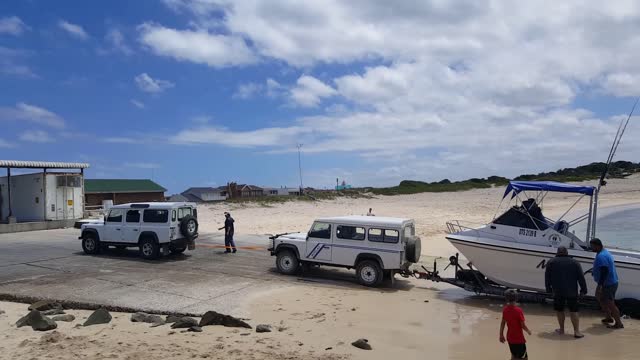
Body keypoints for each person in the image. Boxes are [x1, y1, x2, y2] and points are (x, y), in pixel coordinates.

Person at [544, 246, 587, 338]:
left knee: (560, 310)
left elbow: (547, 277)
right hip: (572, 291)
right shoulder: (575, 262)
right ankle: (576, 332)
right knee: (574, 311)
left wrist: (548, 289)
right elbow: (581, 278)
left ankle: (562, 329)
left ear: (557, 252)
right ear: (567, 252)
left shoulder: (551, 262)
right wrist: (583, 290)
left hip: (558, 291)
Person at [590, 238, 623, 329]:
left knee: (610, 303)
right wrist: (595, 271)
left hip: (608, 284)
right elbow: (602, 268)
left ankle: (619, 323)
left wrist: (600, 285)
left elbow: (605, 270)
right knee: (599, 296)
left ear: (597, 246)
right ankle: (608, 317)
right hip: (608, 282)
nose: (591, 248)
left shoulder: (602, 256)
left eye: (592, 246)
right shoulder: (603, 252)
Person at [500, 289, 532, 360]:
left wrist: (501, 335)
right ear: (517, 298)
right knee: (524, 358)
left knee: (514, 355)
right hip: (519, 340)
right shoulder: (518, 311)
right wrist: (528, 331)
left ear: (506, 299)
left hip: (510, 338)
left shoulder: (505, 310)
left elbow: (502, 323)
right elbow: (522, 325)